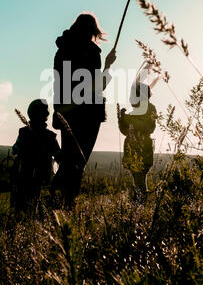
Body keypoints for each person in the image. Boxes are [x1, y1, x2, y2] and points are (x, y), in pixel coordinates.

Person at [52, 12, 116, 205]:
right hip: (88, 114)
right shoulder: (91, 52)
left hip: (66, 112)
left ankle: (56, 201)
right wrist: (107, 66)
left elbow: (59, 83)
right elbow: (97, 86)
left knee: (69, 159)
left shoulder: (62, 50)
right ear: (92, 31)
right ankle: (66, 203)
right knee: (79, 161)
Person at [11, 99, 61, 215]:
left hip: (24, 174)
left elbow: (14, 150)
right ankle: (31, 223)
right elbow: (58, 155)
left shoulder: (23, 132)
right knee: (35, 204)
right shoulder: (50, 136)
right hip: (42, 177)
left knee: (20, 205)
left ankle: (22, 223)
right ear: (46, 116)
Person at [118, 83, 157, 197]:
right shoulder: (135, 111)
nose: (130, 98)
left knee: (139, 180)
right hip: (132, 150)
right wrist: (121, 120)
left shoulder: (150, 108)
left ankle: (141, 203)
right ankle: (139, 203)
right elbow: (126, 132)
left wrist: (127, 118)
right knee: (137, 180)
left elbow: (147, 126)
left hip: (142, 150)